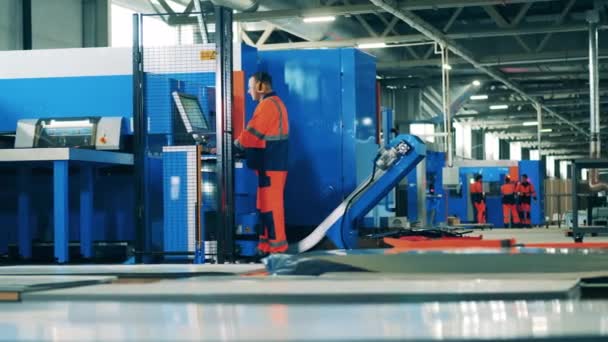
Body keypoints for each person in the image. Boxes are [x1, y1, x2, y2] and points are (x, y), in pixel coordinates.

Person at [235, 72, 289, 254]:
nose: (249, 91)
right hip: (270, 166)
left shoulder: (267, 105)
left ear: (260, 86)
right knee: (266, 207)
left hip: (271, 166)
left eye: (250, 87)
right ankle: (266, 246)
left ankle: (278, 250)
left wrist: (232, 146)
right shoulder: (274, 104)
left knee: (272, 209)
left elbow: (251, 133)